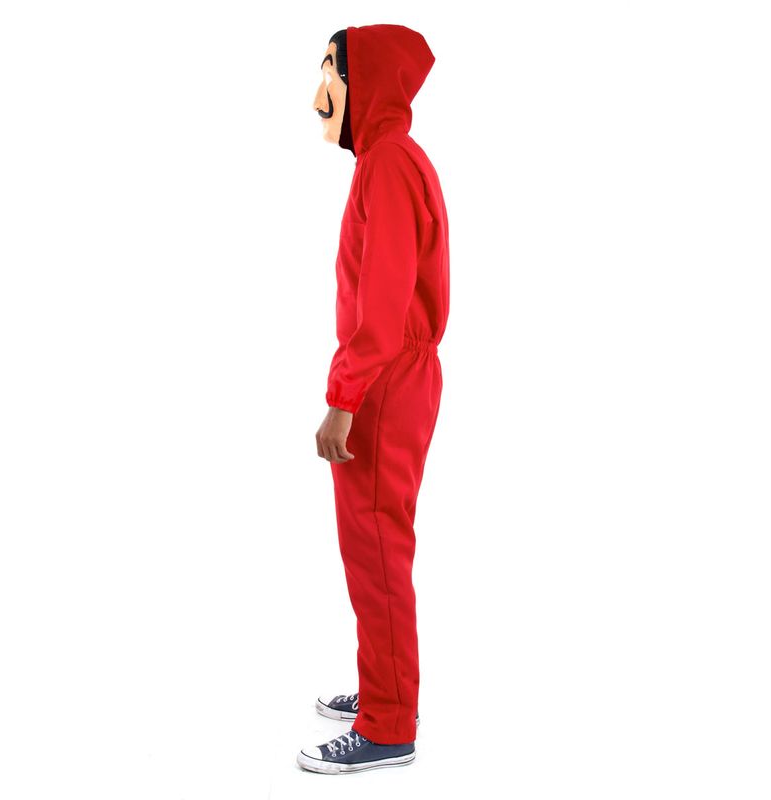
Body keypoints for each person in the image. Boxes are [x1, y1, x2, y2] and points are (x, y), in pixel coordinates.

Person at [297, 24, 450, 775]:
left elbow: (384, 299)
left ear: (367, 82)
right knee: (378, 546)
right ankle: (386, 689)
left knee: (378, 547)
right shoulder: (391, 159)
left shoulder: (388, 162)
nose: (318, 94)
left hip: (385, 377)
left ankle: (388, 725)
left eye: (330, 71)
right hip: (396, 372)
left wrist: (344, 396)